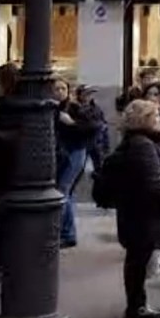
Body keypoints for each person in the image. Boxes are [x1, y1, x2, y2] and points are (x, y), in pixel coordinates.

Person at [110, 100, 160, 318]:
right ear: (145, 120)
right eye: (156, 116)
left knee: (136, 261)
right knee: (138, 262)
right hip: (143, 214)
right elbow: (153, 183)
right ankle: (137, 306)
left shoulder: (134, 142)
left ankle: (137, 303)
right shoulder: (143, 146)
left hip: (134, 211)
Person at [53, 79, 99, 249]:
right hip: (61, 154)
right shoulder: (51, 108)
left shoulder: (74, 108)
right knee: (66, 193)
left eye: (62, 88)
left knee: (63, 191)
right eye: (55, 88)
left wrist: (72, 123)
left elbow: (93, 127)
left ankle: (66, 233)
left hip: (75, 152)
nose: (59, 91)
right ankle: (67, 232)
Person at [0, 63, 21, 284]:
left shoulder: (10, 107)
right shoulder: (0, 105)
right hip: (2, 171)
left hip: (4, 171)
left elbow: (12, 138)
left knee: (4, 223)